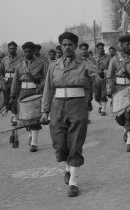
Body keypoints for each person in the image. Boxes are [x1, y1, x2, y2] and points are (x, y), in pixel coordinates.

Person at [41, 32, 97, 197]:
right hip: (58, 106)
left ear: (75, 46)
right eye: (64, 45)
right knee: (59, 143)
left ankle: (73, 181)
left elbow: (98, 78)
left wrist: (99, 76)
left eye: (70, 45)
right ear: (61, 46)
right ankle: (67, 166)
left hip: (78, 105)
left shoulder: (84, 64)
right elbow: (48, 89)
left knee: (75, 142)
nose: (67, 48)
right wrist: (45, 111)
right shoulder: (53, 65)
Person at [106, 34, 130, 152]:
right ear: (121, 45)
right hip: (118, 89)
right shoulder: (114, 59)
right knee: (119, 117)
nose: (129, 46)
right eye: (126, 44)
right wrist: (109, 89)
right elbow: (110, 76)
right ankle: (125, 128)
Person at [9, 41, 46, 152]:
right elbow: (15, 82)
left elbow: (45, 78)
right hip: (23, 92)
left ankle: (34, 143)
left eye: (29, 51)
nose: (27, 53)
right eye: (25, 51)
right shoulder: (20, 65)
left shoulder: (41, 63)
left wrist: (41, 87)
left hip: (35, 92)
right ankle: (30, 134)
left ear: (34, 51)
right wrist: (12, 96)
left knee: (34, 118)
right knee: (26, 118)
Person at [0, 41, 21, 120]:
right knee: (7, 99)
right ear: (8, 49)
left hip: (16, 80)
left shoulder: (20, 59)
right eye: (10, 48)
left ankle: (14, 116)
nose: (12, 50)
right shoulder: (4, 59)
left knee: (14, 98)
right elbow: (0, 72)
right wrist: (1, 81)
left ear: (16, 49)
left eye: (14, 48)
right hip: (7, 81)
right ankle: (13, 113)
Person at [78, 42, 96, 123]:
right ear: (79, 50)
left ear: (87, 50)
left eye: (85, 49)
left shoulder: (91, 59)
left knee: (88, 99)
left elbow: (95, 70)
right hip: (79, 83)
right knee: (80, 100)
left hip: (89, 82)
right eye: (82, 49)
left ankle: (87, 117)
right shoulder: (76, 60)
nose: (84, 51)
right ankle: (82, 117)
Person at [93, 42, 111, 116]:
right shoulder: (93, 58)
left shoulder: (108, 57)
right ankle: (101, 105)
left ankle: (103, 109)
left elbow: (111, 66)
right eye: (100, 48)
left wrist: (107, 70)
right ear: (97, 49)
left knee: (103, 94)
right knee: (96, 96)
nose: (101, 49)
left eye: (102, 48)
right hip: (95, 78)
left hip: (104, 78)